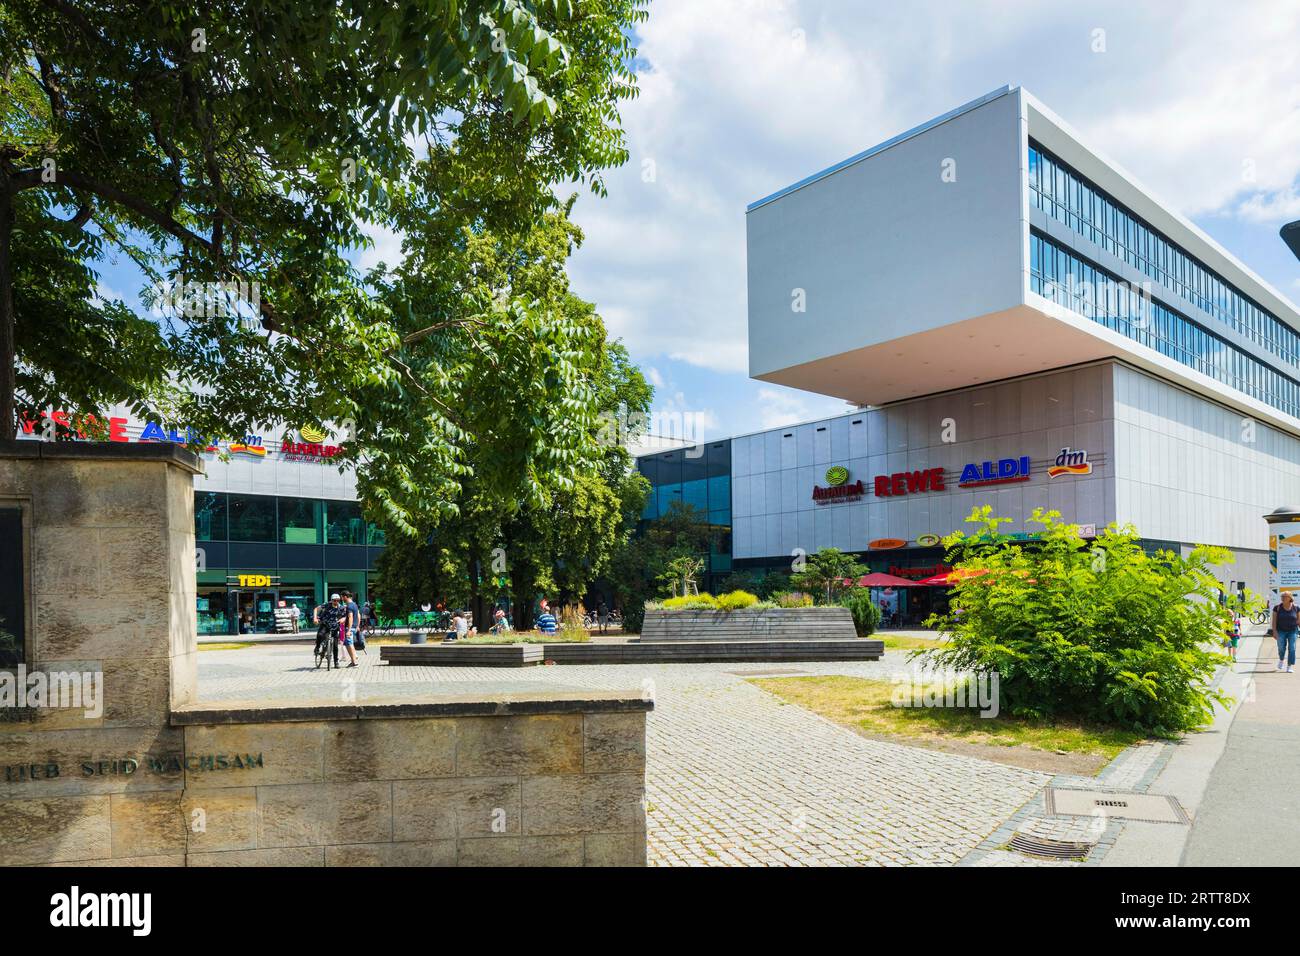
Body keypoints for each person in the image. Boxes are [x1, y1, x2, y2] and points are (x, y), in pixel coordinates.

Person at [313, 594, 347, 666]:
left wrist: (342, 619)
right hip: (325, 624)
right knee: (320, 635)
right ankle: (317, 647)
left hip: (335, 626)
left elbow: (345, 616)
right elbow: (316, 609)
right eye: (334, 600)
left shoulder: (341, 607)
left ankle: (336, 662)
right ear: (331, 600)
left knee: (335, 645)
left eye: (338, 600)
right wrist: (315, 618)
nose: (336, 602)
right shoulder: (326, 604)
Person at [1272, 591, 1298, 673]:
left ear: (1290, 598)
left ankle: (1289, 666)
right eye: (1282, 596)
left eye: (1285, 596)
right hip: (1281, 630)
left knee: (1292, 648)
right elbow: (1274, 621)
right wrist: (1274, 631)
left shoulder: (1296, 608)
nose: (1282, 598)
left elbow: (1299, 620)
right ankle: (1281, 659)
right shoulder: (1277, 608)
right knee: (1281, 647)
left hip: (1293, 631)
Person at [338, 591, 360, 667]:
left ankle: (354, 662)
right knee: (349, 644)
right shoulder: (355, 605)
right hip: (354, 627)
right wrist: (357, 626)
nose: (341, 599)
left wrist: (348, 630)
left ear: (345, 597)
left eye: (342, 597)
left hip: (349, 628)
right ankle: (353, 661)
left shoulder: (349, 606)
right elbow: (358, 615)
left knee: (349, 644)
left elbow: (350, 617)